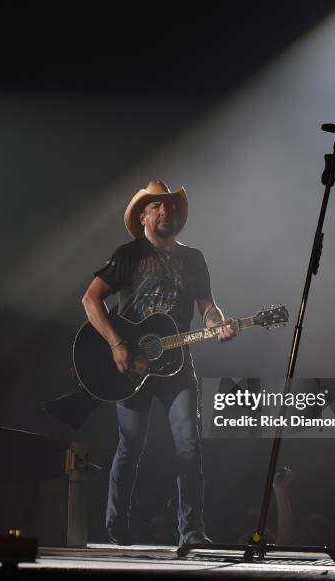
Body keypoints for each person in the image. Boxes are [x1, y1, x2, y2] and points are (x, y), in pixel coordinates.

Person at [81, 180, 236, 546]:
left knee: (190, 444)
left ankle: (191, 531)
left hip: (177, 365)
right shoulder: (128, 254)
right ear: (142, 215)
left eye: (170, 207)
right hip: (132, 365)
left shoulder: (193, 258)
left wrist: (218, 323)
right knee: (130, 446)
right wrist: (117, 342)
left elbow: (207, 305)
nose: (165, 212)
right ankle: (116, 524)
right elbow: (90, 300)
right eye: (156, 207)